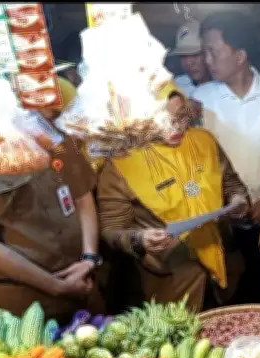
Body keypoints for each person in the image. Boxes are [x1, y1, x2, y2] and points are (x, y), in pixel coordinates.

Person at [0, 89, 103, 323]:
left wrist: (89, 257)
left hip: (83, 281)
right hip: (18, 301)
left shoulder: (48, 127)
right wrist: (56, 286)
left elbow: (83, 195)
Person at [97, 84, 250, 311]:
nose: (177, 126)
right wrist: (140, 238)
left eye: (181, 117)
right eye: (165, 120)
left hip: (225, 265)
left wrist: (238, 201)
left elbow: (231, 183)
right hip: (172, 277)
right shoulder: (123, 162)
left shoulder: (204, 141)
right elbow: (112, 228)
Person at [192, 11, 260, 304]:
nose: (207, 61)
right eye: (205, 53)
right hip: (222, 219)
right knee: (228, 297)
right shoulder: (201, 98)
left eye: (212, 52)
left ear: (240, 56)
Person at [170, 20, 212, 97]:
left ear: (209, 54)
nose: (189, 63)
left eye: (195, 54)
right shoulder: (174, 87)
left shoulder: (227, 88)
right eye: (183, 56)